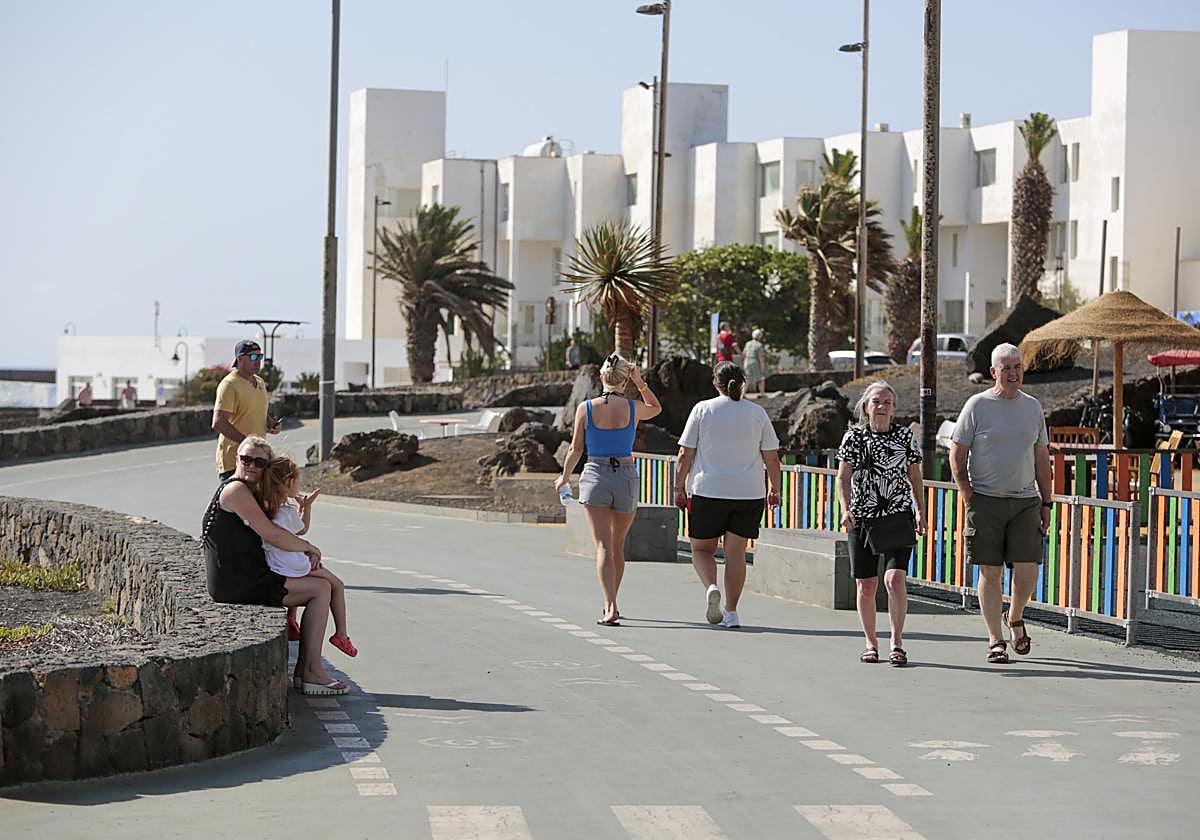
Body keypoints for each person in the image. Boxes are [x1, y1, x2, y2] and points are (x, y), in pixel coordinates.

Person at [200, 436, 346, 695]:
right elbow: (272, 534)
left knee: (322, 585)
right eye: (246, 459)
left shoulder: (247, 491)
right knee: (320, 589)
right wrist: (309, 547)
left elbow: (284, 529)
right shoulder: (236, 490)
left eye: (259, 462)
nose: (251, 465)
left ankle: (306, 671)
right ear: (236, 460)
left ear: (266, 468)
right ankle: (310, 672)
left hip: (245, 577)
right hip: (238, 583)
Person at [950, 342, 1052, 664]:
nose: (1012, 373)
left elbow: (1041, 457)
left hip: (1025, 500)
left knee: (1028, 571)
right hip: (986, 500)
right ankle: (995, 640)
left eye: (1017, 366)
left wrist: (1047, 502)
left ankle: (1016, 615)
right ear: (993, 372)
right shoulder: (977, 405)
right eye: (1005, 368)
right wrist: (967, 491)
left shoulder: (1033, 407)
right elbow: (957, 450)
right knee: (990, 572)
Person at [556, 354, 662, 625]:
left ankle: (609, 605)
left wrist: (564, 477)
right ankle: (614, 600)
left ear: (601, 378)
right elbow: (656, 408)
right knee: (617, 546)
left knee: (602, 546)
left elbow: (575, 449)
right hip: (625, 475)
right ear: (624, 380)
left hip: (595, 475)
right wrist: (639, 382)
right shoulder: (633, 407)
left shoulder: (586, 408)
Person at [674, 362, 781, 629]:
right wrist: (775, 489)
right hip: (748, 493)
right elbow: (772, 457)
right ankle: (731, 612)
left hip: (707, 490)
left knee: (701, 549)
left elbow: (685, 453)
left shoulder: (703, 409)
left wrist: (678, 486)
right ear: (743, 383)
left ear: (715, 383)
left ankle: (711, 587)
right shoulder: (757, 413)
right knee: (735, 553)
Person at [836, 381, 926, 666]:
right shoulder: (853, 438)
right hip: (862, 518)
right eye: (876, 401)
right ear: (866, 407)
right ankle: (870, 643)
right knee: (866, 584)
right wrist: (845, 509)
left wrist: (921, 511)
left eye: (887, 402)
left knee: (894, 579)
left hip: (898, 516)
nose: (882, 406)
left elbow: (915, 477)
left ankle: (897, 642)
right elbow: (842, 477)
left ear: (894, 408)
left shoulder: (904, 437)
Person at [258, 455, 357, 659]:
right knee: (337, 584)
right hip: (293, 564)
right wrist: (306, 508)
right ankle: (342, 634)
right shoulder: (286, 512)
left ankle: (292, 620)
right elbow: (302, 529)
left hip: (276, 564)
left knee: (305, 577)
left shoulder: (268, 510)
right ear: (289, 483)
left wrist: (303, 507)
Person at [212, 340, 281, 481]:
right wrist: (247, 443)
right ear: (240, 359)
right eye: (253, 357)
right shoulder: (229, 385)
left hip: (258, 460)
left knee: (259, 502)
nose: (258, 361)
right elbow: (218, 422)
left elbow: (256, 410)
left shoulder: (260, 382)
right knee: (237, 502)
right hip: (236, 461)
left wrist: (271, 424)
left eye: (260, 357)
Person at [742, 329, 768, 394]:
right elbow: (761, 358)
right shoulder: (759, 345)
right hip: (754, 362)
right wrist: (762, 369)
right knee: (760, 378)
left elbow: (744, 354)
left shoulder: (747, 343)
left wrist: (743, 363)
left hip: (747, 362)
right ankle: (762, 393)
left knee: (746, 379)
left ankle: (742, 394)